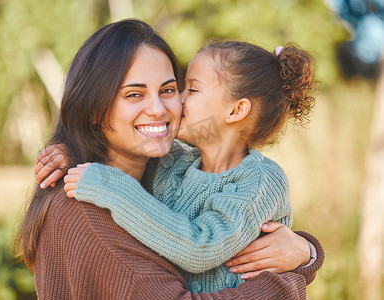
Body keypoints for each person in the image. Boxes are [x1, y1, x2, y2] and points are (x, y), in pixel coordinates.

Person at [24, 19, 323, 299]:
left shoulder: (201, 169)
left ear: (236, 110)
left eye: (171, 89)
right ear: (93, 109)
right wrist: (291, 279)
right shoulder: (91, 212)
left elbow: (206, 242)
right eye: (134, 95)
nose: (165, 107)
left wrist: (305, 251)